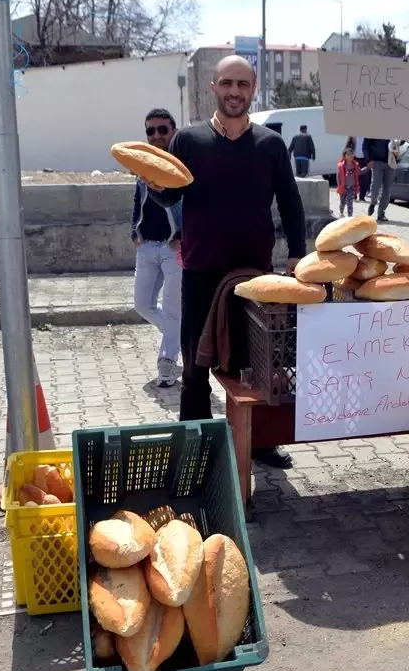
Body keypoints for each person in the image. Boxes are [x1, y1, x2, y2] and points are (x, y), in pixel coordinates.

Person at [147, 55, 305, 469]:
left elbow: (290, 200)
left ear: (253, 89)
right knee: (196, 364)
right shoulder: (188, 140)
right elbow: (170, 196)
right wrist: (154, 186)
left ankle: (261, 441)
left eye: (243, 84)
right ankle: (193, 444)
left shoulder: (270, 144)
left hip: (255, 275)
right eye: (227, 84)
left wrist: (296, 255)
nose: (235, 92)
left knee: (260, 363)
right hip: (200, 271)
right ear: (214, 88)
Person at [131, 108, 184, 388]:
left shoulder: (181, 165)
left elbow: (195, 205)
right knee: (142, 305)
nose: (156, 135)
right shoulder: (143, 165)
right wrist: (133, 230)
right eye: (150, 130)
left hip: (173, 248)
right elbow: (137, 199)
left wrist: (184, 235)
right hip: (147, 246)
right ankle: (182, 336)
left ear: (173, 130)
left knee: (174, 310)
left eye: (162, 129)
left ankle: (167, 362)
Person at [363, 137, 391, 222]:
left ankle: (381, 212)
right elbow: (365, 146)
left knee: (387, 188)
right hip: (376, 160)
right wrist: (368, 160)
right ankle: (373, 202)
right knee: (376, 185)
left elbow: (401, 141)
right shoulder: (373, 129)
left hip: (391, 161)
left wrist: (401, 141)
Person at [336, 148, 360, 217]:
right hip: (343, 187)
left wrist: (367, 168)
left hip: (351, 188)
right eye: (348, 155)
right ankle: (341, 213)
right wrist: (339, 186)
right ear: (345, 156)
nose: (350, 156)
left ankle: (349, 217)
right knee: (342, 202)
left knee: (350, 203)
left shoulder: (355, 165)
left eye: (352, 154)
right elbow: (338, 176)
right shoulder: (341, 166)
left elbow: (360, 172)